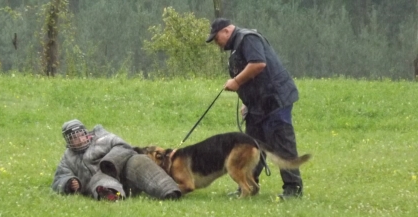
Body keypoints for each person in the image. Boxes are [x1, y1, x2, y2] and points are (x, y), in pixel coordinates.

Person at [206, 18, 305, 199]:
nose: (216, 43)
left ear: (226, 31)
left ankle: (293, 189)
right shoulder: (238, 45)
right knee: (251, 146)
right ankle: (248, 186)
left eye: (216, 38)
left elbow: (258, 64)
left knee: (283, 145)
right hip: (258, 104)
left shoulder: (247, 39)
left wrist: (236, 81)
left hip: (275, 100)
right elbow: (255, 80)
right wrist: (247, 103)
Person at [52, 119, 181, 201]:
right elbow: (59, 179)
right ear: (68, 141)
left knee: (139, 160)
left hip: (125, 175)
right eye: (75, 138)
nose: (80, 140)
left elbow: (125, 147)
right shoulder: (68, 158)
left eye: (81, 135)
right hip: (98, 182)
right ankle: (112, 196)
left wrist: (109, 162)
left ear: (86, 133)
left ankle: (170, 191)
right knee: (100, 179)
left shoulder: (103, 138)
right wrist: (69, 183)